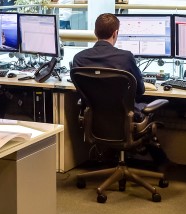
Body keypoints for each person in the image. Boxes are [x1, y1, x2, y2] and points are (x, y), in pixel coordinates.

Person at [72, 13, 167, 166]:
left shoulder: (79, 58)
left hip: (96, 120)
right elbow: (140, 91)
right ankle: (162, 163)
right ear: (116, 33)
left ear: (95, 33)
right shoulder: (125, 57)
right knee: (149, 108)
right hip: (125, 119)